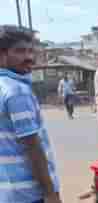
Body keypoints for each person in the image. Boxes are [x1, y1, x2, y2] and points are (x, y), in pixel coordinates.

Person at [0, 25, 61, 203]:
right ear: (2, 55)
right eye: (20, 51)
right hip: (30, 192)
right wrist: (50, 194)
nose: (29, 58)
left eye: (30, 51)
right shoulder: (17, 91)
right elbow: (32, 146)